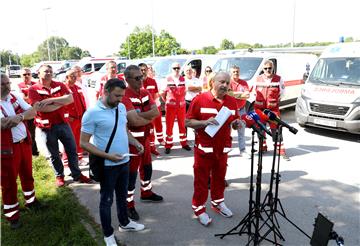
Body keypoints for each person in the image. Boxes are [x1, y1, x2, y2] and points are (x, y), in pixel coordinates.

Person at [80, 78, 145, 246]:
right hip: (108, 166)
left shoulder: (121, 107)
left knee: (123, 196)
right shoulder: (92, 113)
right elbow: (84, 143)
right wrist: (108, 156)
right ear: (106, 92)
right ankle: (108, 234)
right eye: (117, 96)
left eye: (122, 96)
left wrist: (135, 143)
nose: (120, 99)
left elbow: (124, 130)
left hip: (124, 161)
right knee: (106, 200)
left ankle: (125, 223)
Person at [185, 71, 241, 226]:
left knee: (219, 178)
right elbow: (187, 122)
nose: (224, 85)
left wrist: (237, 124)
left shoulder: (231, 101)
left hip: (222, 149)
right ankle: (199, 209)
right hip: (204, 149)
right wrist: (204, 123)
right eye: (221, 82)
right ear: (212, 83)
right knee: (201, 181)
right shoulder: (200, 99)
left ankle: (217, 203)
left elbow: (235, 120)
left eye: (227, 83)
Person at [28, 65, 91, 187]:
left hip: (63, 123)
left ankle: (77, 175)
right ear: (39, 73)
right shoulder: (33, 89)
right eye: (46, 71)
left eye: (51, 71)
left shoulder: (59, 85)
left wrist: (48, 100)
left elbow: (70, 99)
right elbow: (41, 108)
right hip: (46, 127)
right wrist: (60, 102)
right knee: (54, 154)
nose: (49, 73)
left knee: (72, 150)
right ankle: (59, 176)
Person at [122, 65, 163, 221]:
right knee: (131, 174)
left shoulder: (145, 92)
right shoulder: (125, 96)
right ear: (127, 79)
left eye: (142, 76)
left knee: (147, 167)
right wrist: (144, 116)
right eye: (137, 78)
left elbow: (156, 112)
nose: (142, 80)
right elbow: (132, 120)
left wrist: (140, 116)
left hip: (145, 138)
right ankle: (129, 204)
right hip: (131, 141)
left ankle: (146, 192)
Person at [1, 74, 41, 229]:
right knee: (9, 182)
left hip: (24, 143)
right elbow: (3, 124)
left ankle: (31, 201)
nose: (6, 86)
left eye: (7, 83)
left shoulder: (14, 96)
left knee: (27, 174)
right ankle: (12, 215)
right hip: (7, 149)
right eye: (2, 84)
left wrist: (19, 117)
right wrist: (22, 116)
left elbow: (33, 112)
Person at [254, 60, 290, 160]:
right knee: (260, 129)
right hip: (260, 109)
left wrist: (274, 102)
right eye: (266, 68)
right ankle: (263, 147)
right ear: (263, 69)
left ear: (273, 68)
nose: (268, 70)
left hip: (273, 109)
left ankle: (280, 150)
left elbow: (282, 93)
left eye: (270, 68)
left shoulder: (279, 79)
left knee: (276, 130)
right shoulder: (257, 79)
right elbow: (254, 92)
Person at [161, 62, 191, 154]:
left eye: (178, 68)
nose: (176, 70)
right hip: (170, 106)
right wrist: (167, 101)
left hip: (181, 106)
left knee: (182, 125)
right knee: (169, 126)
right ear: (172, 69)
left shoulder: (183, 79)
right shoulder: (167, 79)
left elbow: (185, 91)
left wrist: (181, 99)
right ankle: (168, 145)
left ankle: (184, 143)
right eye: (174, 68)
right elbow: (162, 92)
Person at [62, 69, 87, 166]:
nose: (74, 77)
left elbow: (82, 101)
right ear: (67, 77)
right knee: (68, 140)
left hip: (79, 117)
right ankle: (66, 161)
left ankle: (79, 158)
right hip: (71, 119)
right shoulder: (63, 88)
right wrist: (67, 117)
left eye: (75, 75)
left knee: (78, 138)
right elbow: (62, 105)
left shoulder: (77, 87)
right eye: (72, 76)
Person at [139, 63, 165, 156]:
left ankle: (152, 147)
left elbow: (156, 94)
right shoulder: (137, 82)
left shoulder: (153, 81)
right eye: (141, 70)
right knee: (147, 130)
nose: (143, 72)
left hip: (153, 108)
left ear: (147, 70)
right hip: (142, 110)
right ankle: (147, 148)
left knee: (153, 128)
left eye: (144, 70)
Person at [228, 65, 250, 157]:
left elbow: (247, 95)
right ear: (231, 73)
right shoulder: (228, 82)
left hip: (241, 110)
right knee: (227, 131)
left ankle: (243, 150)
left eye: (237, 71)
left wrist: (235, 94)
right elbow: (228, 94)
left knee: (241, 130)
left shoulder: (244, 83)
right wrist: (241, 94)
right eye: (234, 72)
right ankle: (226, 149)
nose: (236, 73)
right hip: (230, 111)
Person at [17, 68, 39, 156]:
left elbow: (41, 97)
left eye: (28, 74)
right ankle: (33, 153)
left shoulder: (36, 84)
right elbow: (21, 98)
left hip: (38, 112)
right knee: (30, 133)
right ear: (21, 76)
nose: (27, 76)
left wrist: (28, 97)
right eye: (24, 74)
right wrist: (34, 98)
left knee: (45, 132)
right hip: (27, 113)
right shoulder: (18, 85)